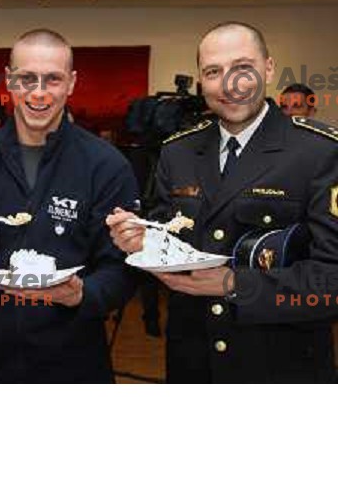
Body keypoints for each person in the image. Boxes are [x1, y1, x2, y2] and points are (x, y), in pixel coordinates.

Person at [107, 21, 338, 383]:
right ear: (201, 80)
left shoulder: (320, 153)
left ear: (269, 69)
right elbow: (169, 237)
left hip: (280, 369)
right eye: (214, 71)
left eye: (242, 68)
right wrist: (141, 240)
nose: (229, 84)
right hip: (192, 364)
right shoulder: (177, 151)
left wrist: (235, 284)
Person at [0, 28, 138, 383]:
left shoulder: (106, 164)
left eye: (53, 79)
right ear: (9, 81)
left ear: (72, 83)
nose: (40, 93)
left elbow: (123, 268)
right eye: (27, 79)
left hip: (75, 361)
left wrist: (82, 295)